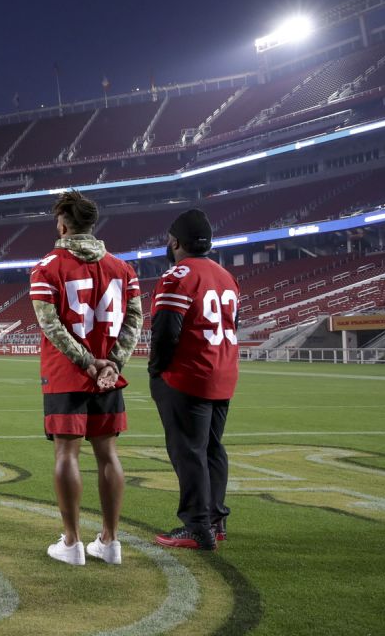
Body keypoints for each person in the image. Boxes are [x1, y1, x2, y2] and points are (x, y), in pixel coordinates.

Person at [29, 190, 142, 567]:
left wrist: (87, 362)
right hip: (108, 377)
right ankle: (110, 542)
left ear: (62, 224)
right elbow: (134, 321)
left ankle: (72, 542)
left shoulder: (47, 267)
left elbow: (51, 325)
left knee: (66, 453)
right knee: (108, 454)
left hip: (67, 375)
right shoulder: (123, 268)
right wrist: (112, 363)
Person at [149, 209, 239, 551]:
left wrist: (157, 370)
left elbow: (166, 330)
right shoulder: (226, 276)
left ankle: (196, 526)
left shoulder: (177, 276)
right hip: (223, 371)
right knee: (213, 447)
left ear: (175, 241)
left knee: (188, 450)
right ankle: (216, 520)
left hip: (189, 375)